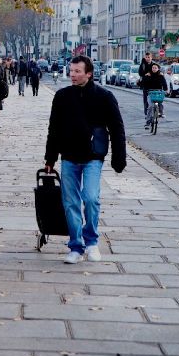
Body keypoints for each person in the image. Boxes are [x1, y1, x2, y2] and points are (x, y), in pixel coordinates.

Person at [44, 55, 126, 264]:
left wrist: (119, 157)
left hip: (92, 156)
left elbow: (117, 128)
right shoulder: (62, 96)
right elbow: (54, 128)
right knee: (70, 202)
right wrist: (50, 158)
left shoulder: (104, 96)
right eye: (71, 71)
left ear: (89, 73)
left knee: (90, 198)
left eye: (77, 71)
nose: (72, 74)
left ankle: (91, 241)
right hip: (69, 156)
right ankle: (76, 245)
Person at [142, 62, 167, 129]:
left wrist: (166, 89)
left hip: (158, 93)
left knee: (160, 103)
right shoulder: (148, 75)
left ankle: (161, 113)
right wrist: (145, 77)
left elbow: (164, 84)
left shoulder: (161, 76)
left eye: (155, 68)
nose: (154, 69)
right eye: (153, 67)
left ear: (158, 69)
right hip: (150, 93)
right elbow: (144, 83)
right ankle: (147, 122)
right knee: (150, 106)